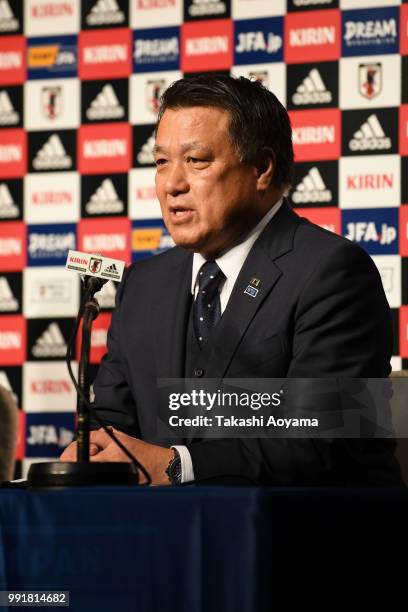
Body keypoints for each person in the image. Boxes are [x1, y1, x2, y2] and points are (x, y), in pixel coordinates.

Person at [61, 75, 401, 486]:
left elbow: (321, 440)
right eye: (161, 162)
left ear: (261, 168)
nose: (172, 184)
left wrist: (175, 465)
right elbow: (117, 418)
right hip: (164, 536)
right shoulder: (144, 284)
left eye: (197, 160)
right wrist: (94, 450)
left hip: (302, 535)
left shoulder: (335, 272)